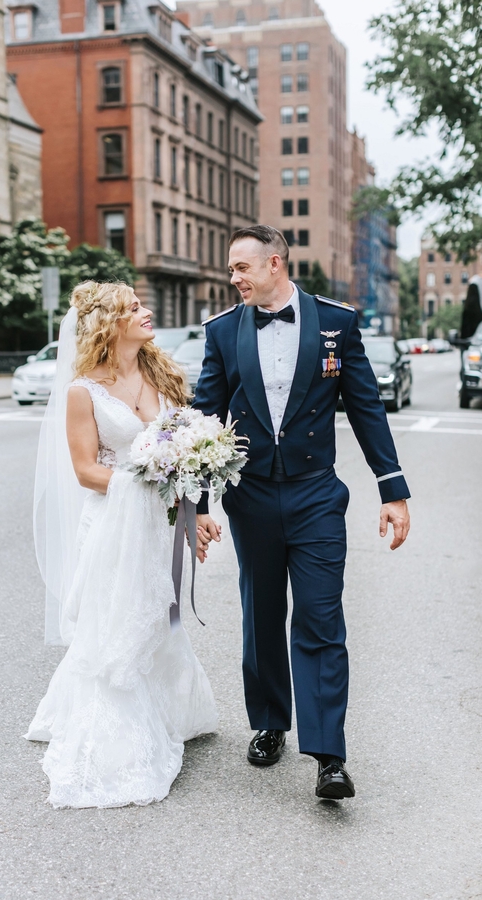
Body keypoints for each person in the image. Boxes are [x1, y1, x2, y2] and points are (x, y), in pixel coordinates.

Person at [193, 225, 410, 799]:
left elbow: (366, 407)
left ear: (275, 264)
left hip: (316, 495)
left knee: (320, 617)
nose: (233, 278)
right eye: (231, 269)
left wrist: (392, 489)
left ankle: (328, 754)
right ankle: (269, 721)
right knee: (262, 614)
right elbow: (204, 418)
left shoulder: (337, 322)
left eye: (241, 267)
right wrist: (198, 504)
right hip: (252, 496)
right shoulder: (222, 331)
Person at [26, 281, 217, 809]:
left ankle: (167, 709)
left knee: (155, 610)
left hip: (157, 523)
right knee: (114, 622)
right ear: (109, 325)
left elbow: (184, 454)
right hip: (112, 522)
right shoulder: (82, 392)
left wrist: (192, 513)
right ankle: (114, 738)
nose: (146, 311)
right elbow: (86, 470)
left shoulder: (162, 374)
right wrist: (148, 484)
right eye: (134, 308)